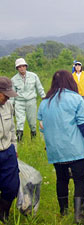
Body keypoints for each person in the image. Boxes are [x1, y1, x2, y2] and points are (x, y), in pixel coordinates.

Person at [38, 70, 84, 224]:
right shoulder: (75, 99)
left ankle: (64, 212)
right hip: (74, 149)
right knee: (79, 180)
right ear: (70, 81)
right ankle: (79, 216)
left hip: (56, 151)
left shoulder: (44, 103)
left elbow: (42, 127)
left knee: (61, 180)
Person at [11, 58, 46, 141]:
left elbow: (39, 87)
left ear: (26, 66)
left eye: (23, 66)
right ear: (17, 68)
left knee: (32, 122)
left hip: (31, 101)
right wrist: (11, 105)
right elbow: (12, 94)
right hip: (19, 102)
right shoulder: (13, 79)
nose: (22, 68)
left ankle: (33, 139)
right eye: (19, 67)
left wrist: (43, 97)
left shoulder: (33, 76)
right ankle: (19, 140)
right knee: (20, 121)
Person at [0, 77, 19, 223]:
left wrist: (14, 147)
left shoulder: (8, 106)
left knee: (12, 186)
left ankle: (3, 213)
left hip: (8, 152)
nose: (7, 97)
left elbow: (12, 129)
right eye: (4, 94)